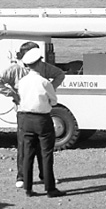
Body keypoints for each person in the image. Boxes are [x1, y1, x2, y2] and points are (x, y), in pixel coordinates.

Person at [0, 41, 65, 189]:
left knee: (43, 147)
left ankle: (44, 176)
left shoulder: (43, 67)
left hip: (40, 112)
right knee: (24, 146)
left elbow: (59, 74)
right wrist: (12, 94)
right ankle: (22, 177)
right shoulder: (14, 69)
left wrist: (50, 88)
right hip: (23, 111)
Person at [16, 47, 65, 198]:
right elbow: (54, 100)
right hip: (42, 119)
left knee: (27, 153)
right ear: (38, 63)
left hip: (25, 118)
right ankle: (50, 188)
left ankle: (28, 187)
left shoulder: (22, 82)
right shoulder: (44, 82)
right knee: (46, 153)